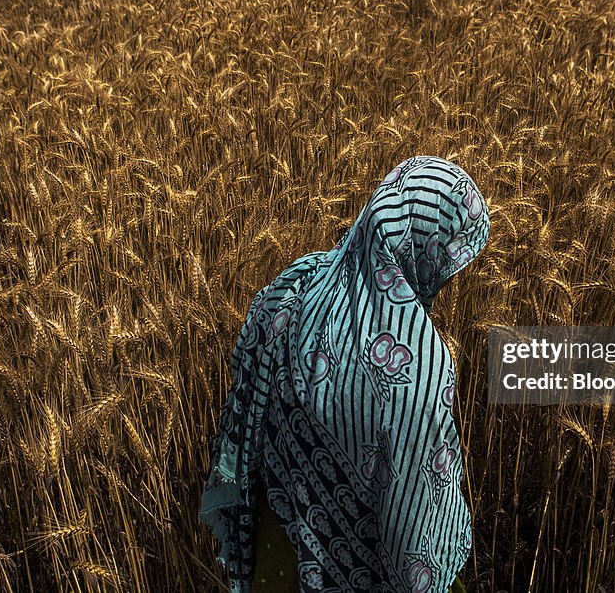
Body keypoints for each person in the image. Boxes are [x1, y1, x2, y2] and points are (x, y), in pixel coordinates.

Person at [199, 156, 490, 592]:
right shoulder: (418, 370)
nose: (455, 277)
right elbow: (417, 544)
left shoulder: (295, 286)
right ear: (426, 249)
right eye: (454, 258)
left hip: (274, 558)